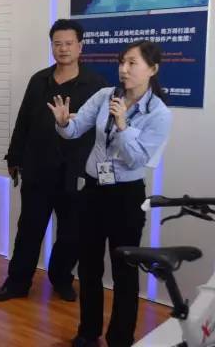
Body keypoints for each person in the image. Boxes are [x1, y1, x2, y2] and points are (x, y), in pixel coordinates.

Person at [50, 40, 172, 347]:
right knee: (89, 266)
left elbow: (137, 159)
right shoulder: (105, 96)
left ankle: (120, 338)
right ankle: (88, 332)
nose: (123, 69)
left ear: (152, 69)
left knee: (124, 271)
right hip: (93, 191)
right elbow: (75, 129)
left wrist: (122, 125)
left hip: (126, 197)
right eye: (121, 62)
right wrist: (63, 123)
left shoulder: (159, 113)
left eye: (132, 63)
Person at [0, 19, 107, 303]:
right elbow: (24, 120)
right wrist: (14, 156)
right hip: (38, 169)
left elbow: (103, 130)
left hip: (77, 172)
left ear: (80, 47)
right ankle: (17, 283)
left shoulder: (97, 84)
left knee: (71, 233)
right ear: (52, 46)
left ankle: (61, 278)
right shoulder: (39, 80)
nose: (63, 49)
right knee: (29, 230)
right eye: (57, 43)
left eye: (69, 43)